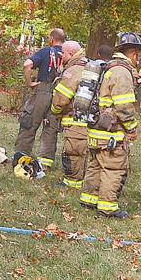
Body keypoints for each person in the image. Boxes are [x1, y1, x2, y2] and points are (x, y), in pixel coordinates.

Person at [79, 32, 141, 219]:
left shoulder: (108, 67)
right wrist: (132, 127)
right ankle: (108, 207)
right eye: (138, 55)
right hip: (112, 132)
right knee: (113, 168)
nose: (138, 59)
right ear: (133, 53)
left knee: (96, 164)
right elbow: (124, 106)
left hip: (97, 127)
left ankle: (88, 199)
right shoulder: (122, 72)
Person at [14, 28, 66, 170]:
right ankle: (45, 163)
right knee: (51, 128)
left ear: (51, 38)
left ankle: (21, 157)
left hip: (43, 90)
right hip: (61, 95)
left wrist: (29, 83)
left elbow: (27, 64)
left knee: (29, 123)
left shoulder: (45, 52)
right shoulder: (68, 54)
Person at [50, 41, 89, 189]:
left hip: (75, 120)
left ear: (71, 54)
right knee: (80, 151)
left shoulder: (73, 70)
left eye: (64, 53)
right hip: (85, 119)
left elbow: (62, 97)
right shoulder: (85, 66)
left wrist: (54, 111)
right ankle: (78, 180)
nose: (62, 56)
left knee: (73, 151)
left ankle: (72, 183)